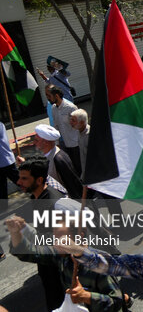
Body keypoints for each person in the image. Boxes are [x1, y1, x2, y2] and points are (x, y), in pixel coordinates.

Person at [10, 157, 65, 310]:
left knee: (58, 298)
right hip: (47, 260)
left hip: (56, 263)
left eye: (24, 178)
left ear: (39, 180)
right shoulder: (37, 195)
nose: (19, 182)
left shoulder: (52, 202)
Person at [33, 124, 82, 198]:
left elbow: (72, 185)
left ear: (45, 142)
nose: (34, 142)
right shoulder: (46, 155)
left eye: (36, 140)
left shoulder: (58, 158)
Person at [45, 85, 80, 170]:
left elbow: (79, 125)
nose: (48, 98)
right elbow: (56, 127)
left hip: (77, 144)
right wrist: (57, 143)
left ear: (56, 96)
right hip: (65, 144)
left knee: (80, 167)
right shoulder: (53, 109)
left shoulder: (70, 107)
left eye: (49, 96)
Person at [0, 121, 19, 212]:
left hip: (5, 160)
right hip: (2, 161)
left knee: (20, 180)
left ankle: (38, 194)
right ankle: (3, 207)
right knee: (1, 187)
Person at [69, 108, 89, 175]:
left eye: (73, 120)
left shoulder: (89, 136)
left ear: (82, 122)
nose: (70, 122)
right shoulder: (79, 131)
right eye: (71, 119)